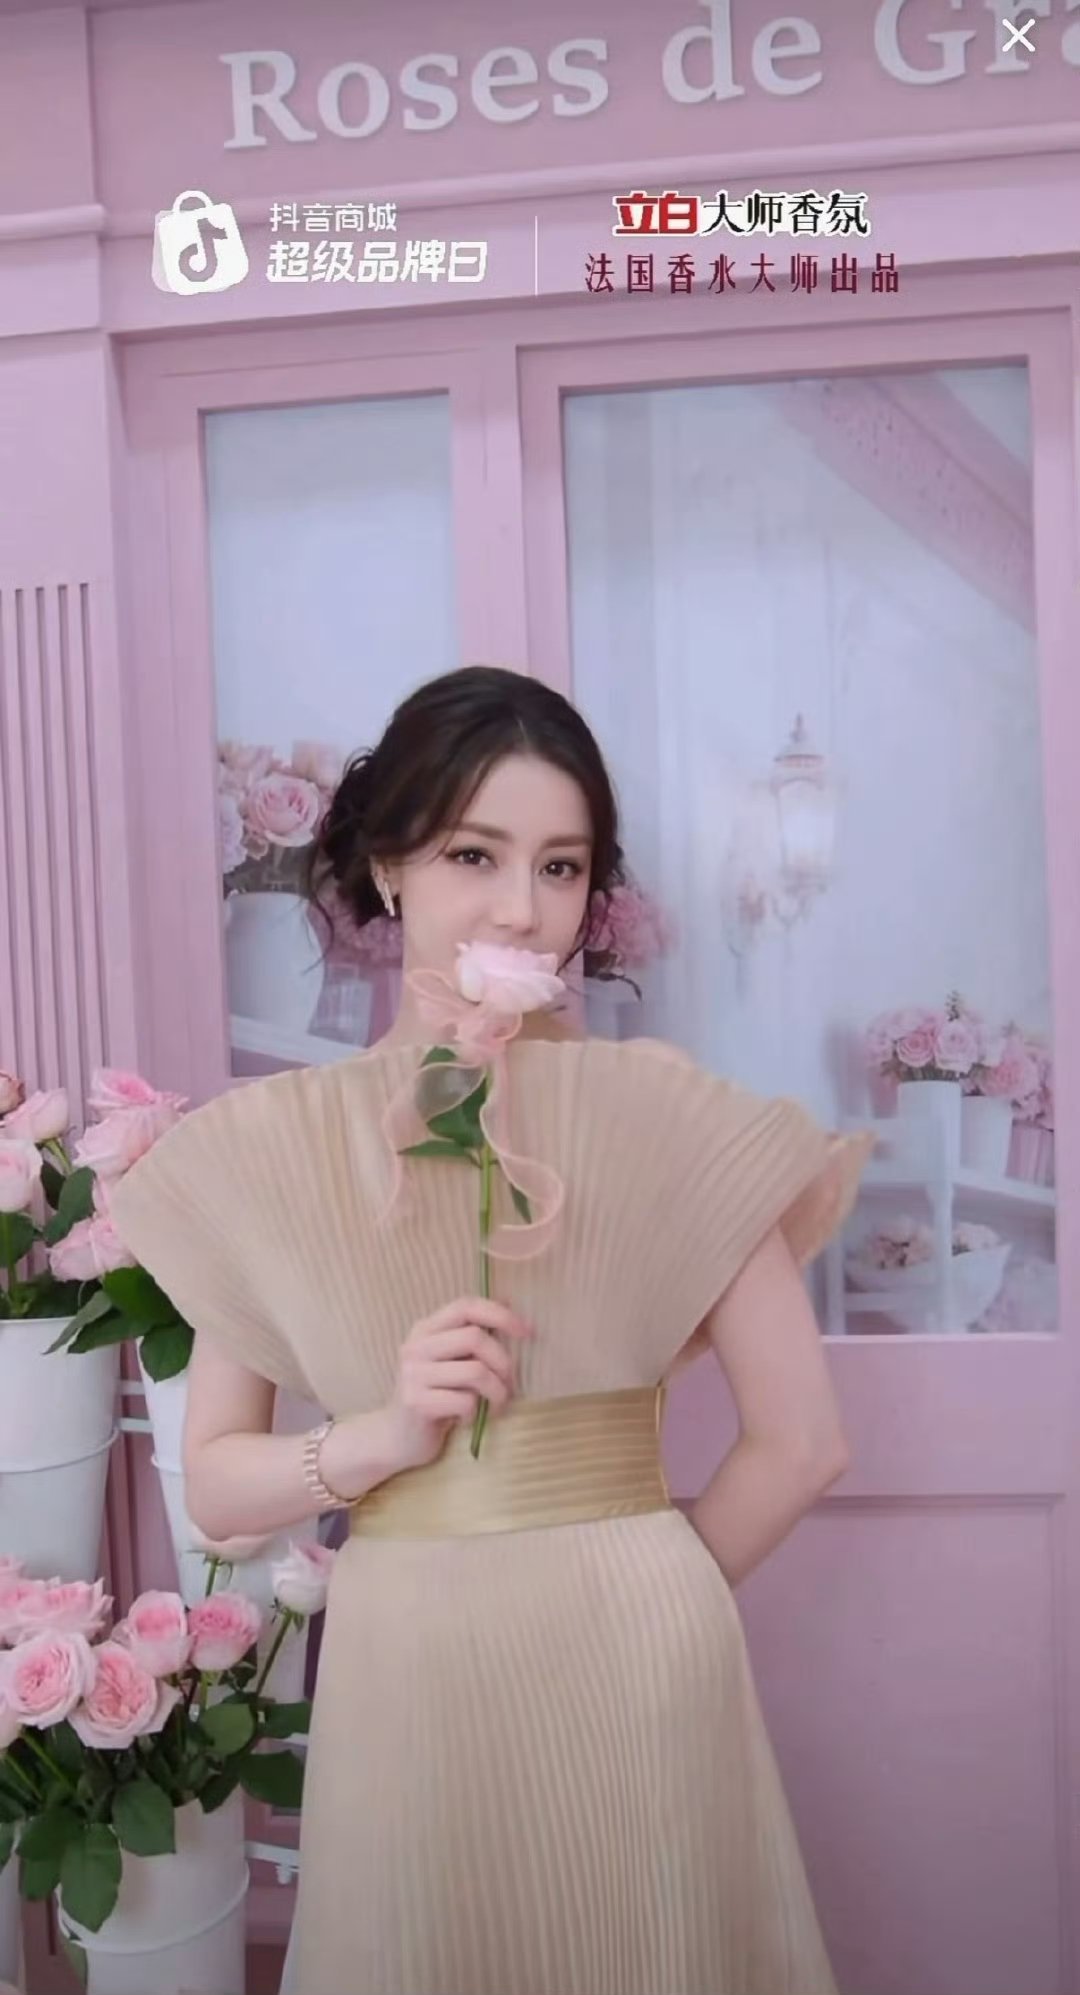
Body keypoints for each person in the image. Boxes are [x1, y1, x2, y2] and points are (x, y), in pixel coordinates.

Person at [110, 664, 872, 1995]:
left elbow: (810, 1446)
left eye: (561, 867)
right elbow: (223, 1495)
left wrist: (624, 1593)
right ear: (389, 864)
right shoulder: (268, 1150)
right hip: (448, 1668)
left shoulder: (662, 1116)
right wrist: (382, 1440)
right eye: (477, 854)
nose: (524, 906)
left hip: (571, 1651)